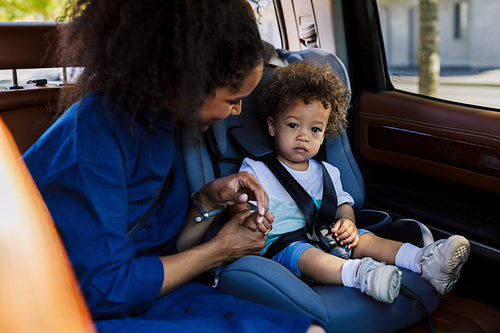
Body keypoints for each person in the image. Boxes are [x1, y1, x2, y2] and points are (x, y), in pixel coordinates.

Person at [22, 0, 324, 332]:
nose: (237, 112)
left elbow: (164, 254)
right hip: (75, 311)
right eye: (232, 100)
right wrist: (219, 250)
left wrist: (207, 202)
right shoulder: (92, 138)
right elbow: (105, 289)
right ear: (187, 85)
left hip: (147, 298)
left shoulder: (165, 125)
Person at [235, 61, 470, 303]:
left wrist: (347, 222)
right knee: (304, 253)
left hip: (325, 236)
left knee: (365, 238)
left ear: (325, 133)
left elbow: (342, 205)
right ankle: (363, 275)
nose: (304, 135)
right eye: (293, 125)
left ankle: (423, 261)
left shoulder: (326, 171)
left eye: (315, 130)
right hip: (282, 247)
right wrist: (249, 217)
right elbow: (238, 204)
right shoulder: (256, 169)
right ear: (273, 127)